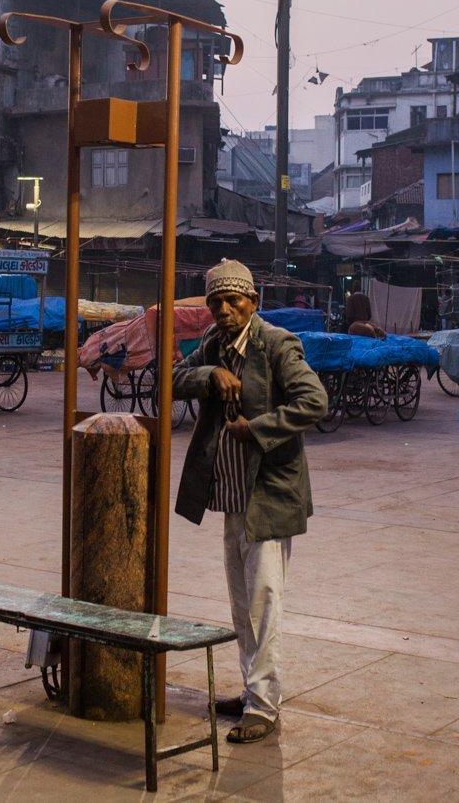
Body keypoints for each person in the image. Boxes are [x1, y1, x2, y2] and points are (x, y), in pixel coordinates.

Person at [173, 259, 327, 745]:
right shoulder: (214, 347)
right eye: (215, 301)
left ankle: (264, 707)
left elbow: (314, 401)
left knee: (264, 604)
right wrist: (210, 375)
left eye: (233, 300)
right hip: (232, 496)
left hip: (269, 496)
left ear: (253, 301)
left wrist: (254, 430)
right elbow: (174, 377)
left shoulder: (277, 345)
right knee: (242, 604)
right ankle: (250, 690)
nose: (224, 309)